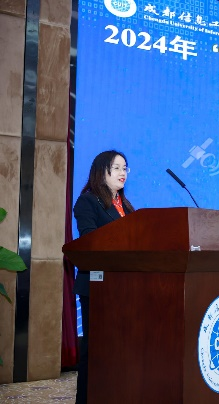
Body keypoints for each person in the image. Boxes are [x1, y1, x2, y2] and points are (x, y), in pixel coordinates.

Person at [73, 150, 135, 404]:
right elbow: (90, 240)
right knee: (96, 350)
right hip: (98, 286)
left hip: (125, 286)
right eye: (117, 167)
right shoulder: (88, 201)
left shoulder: (126, 206)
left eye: (125, 168)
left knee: (120, 350)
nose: (123, 173)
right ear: (102, 171)